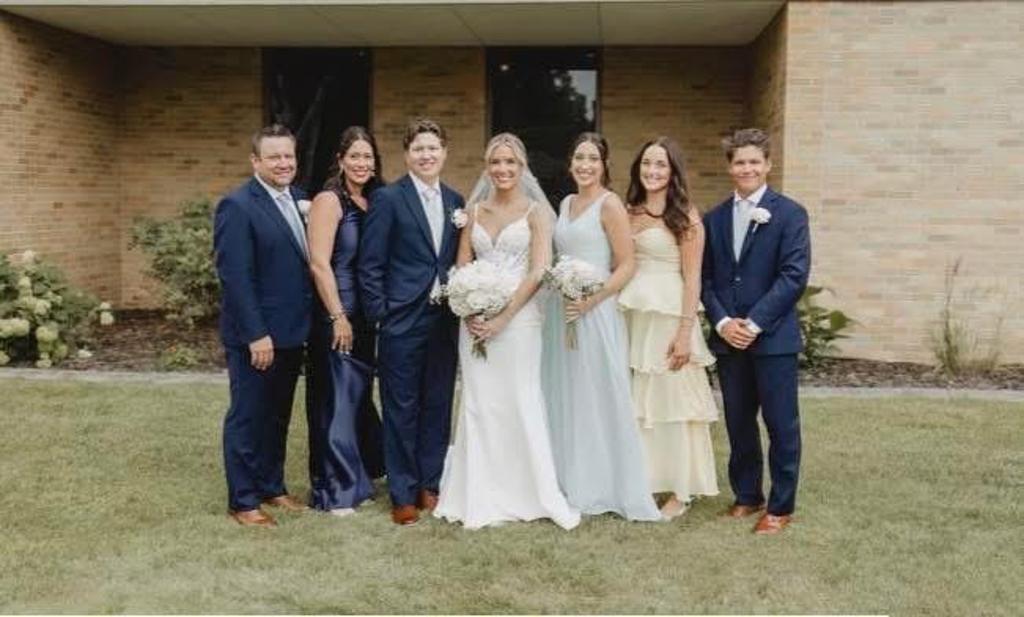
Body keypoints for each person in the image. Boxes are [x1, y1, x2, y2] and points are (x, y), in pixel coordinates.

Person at [434, 133, 580, 530]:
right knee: (480, 403)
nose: (502, 169)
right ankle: (479, 493)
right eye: (496, 162)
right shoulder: (473, 211)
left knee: (519, 399)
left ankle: (529, 493)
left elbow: (539, 270)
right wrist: (468, 310)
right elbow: (462, 266)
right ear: (487, 167)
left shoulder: (537, 212)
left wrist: (503, 317)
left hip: (520, 322)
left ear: (522, 167)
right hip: (476, 323)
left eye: (510, 162)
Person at [541, 132, 662, 522]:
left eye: (593, 158)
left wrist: (592, 299)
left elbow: (627, 264)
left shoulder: (610, 205)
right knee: (565, 391)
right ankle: (566, 478)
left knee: (595, 392)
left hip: (595, 310)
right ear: (570, 162)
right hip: (563, 310)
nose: (585, 165)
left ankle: (602, 483)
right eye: (579, 157)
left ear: (604, 164)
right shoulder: (565, 203)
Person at [701, 128, 810, 535]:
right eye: (739, 162)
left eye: (754, 161)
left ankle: (780, 507)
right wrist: (724, 322)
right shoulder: (713, 219)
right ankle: (747, 495)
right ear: (729, 167)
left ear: (768, 165)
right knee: (738, 422)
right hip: (729, 340)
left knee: (781, 425)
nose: (747, 168)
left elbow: (793, 275)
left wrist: (754, 322)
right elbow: (706, 279)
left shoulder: (791, 214)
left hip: (773, 338)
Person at [358, 118, 463, 526]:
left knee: (437, 402)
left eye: (433, 148)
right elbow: (370, 264)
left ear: (444, 153)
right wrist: (382, 313)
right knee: (401, 405)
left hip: (444, 319)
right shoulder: (388, 199)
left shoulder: (455, 201)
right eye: (419, 148)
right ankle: (402, 493)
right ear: (407, 155)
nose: (426, 155)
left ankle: (429, 485)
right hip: (401, 319)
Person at [214, 124, 312, 528]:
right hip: (256, 336)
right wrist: (256, 334)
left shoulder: (300, 198)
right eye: (274, 157)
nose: (283, 163)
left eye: (288, 155)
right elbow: (235, 277)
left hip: (291, 331)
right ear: (256, 161)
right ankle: (243, 501)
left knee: (277, 416)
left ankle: (272, 486)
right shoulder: (238, 206)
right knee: (249, 415)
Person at [619, 137, 719, 520]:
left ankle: (681, 489)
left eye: (661, 164)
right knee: (642, 402)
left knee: (673, 402)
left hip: (669, 315)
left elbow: (693, 279)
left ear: (673, 171)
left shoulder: (686, 217)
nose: (653, 171)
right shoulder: (628, 211)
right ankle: (644, 480)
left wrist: (684, 334)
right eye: (647, 163)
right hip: (635, 313)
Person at [305, 126, 385, 516]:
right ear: (340, 160)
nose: (362, 163)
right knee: (335, 399)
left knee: (356, 399)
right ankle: (334, 490)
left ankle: (359, 476)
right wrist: (338, 315)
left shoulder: (371, 201)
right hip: (337, 313)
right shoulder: (329, 200)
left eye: (368, 156)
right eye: (354, 156)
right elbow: (319, 263)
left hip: (365, 318)